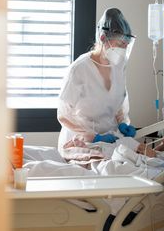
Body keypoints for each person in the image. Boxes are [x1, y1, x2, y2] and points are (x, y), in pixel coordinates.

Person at [57, 8, 137, 153]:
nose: (123, 50)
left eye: (126, 45)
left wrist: (122, 124)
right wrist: (92, 136)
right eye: (120, 45)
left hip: (110, 140)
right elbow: (63, 115)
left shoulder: (119, 65)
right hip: (81, 142)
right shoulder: (79, 69)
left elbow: (119, 104)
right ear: (102, 38)